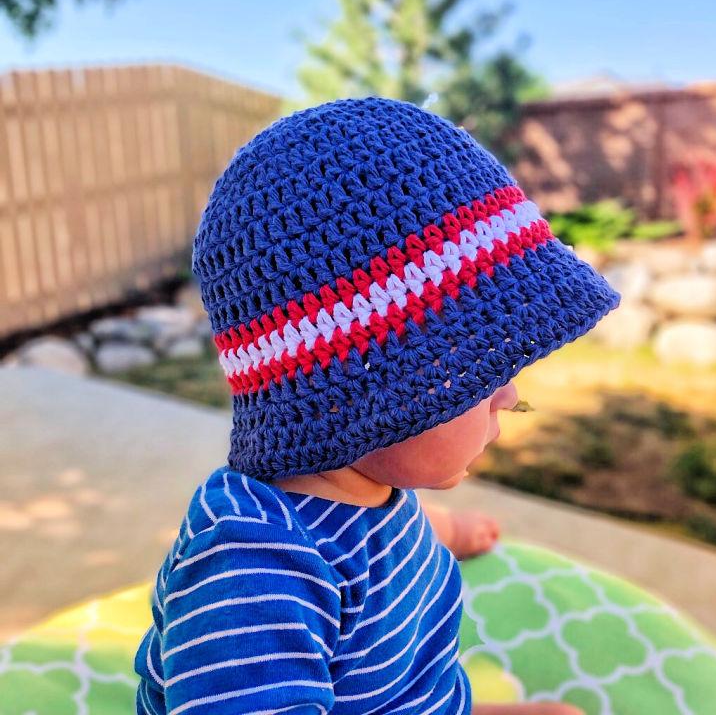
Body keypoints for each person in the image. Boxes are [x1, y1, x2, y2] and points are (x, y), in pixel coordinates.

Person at [134, 96, 620, 714]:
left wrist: (454, 534)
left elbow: (390, 538)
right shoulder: (257, 572)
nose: (510, 396)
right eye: (481, 372)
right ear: (358, 397)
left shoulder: (365, 483)